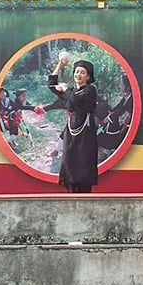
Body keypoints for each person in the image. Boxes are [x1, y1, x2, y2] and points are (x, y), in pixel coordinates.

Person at [47, 55, 99, 193]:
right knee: (69, 166)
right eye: (76, 71)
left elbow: (76, 99)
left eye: (82, 72)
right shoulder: (72, 91)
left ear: (88, 77)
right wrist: (60, 65)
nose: (78, 75)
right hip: (71, 134)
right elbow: (51, 85)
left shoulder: (90, 90)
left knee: (83, 168)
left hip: (85, 135)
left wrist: (65, 89)